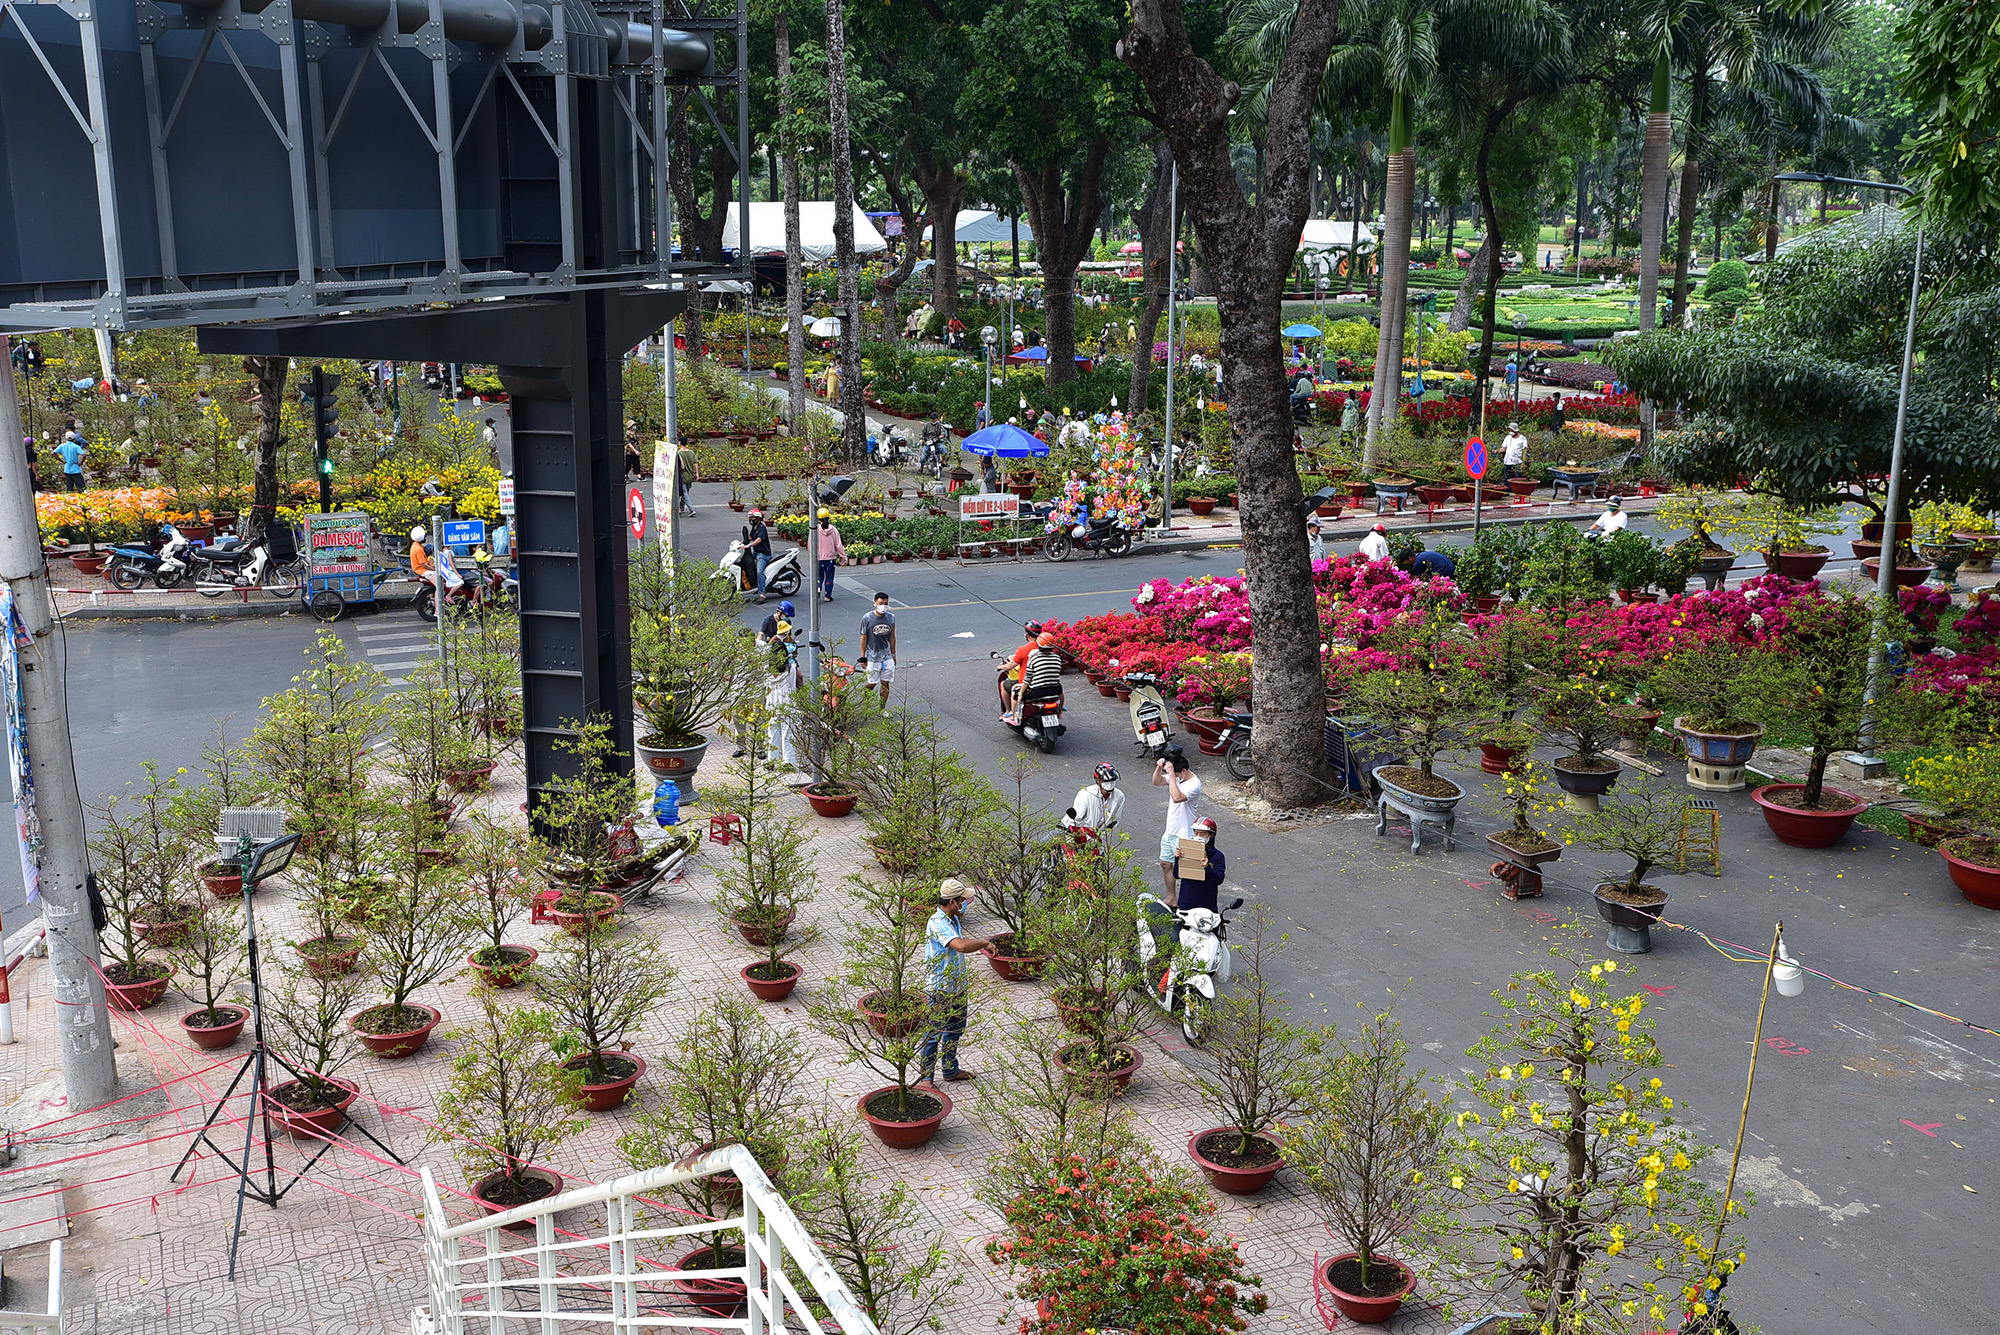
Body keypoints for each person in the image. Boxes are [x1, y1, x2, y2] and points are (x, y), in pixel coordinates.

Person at [917, 879, 997, 1087]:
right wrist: (984, 943)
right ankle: (926, 1078)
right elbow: (960, 946)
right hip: (940, 988)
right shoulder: (938, 922)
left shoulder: (953, 919)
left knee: (955, 1030)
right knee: (933, 1034)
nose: (964, 904)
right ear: (952, 901)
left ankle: (950, 1070)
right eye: (962, 900)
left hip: (957, 987)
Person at [1151, 748, 1203, 897]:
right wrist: (1159, 768)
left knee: (1187, 871)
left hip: (1184, 834)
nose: (1173, 777)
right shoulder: (1177, 777)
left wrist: (1173, 776)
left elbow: (1176, 797)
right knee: (1165, 864)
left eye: (1176, 774)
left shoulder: (1194, 784)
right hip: (1170, 831)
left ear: (1184, 771)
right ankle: (1171, 897)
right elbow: (1156, 781)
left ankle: (1188, 901)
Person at [763, 629, 801, 771]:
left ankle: (771, 761)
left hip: (772, 704)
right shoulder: (790, 668)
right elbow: (795, 684)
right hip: (787, 703)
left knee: (772, 734)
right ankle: (788, 762)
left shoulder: (766, 669)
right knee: (787, 733)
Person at [1170, 817, 1225, 913]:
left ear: (1211, 835)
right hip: (1186, 905)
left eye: (1202, 834)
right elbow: (1176, 875)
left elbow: (1218, 879)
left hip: (1207, 907)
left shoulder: (1218, 856)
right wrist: (1178, 859)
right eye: (1196, 833)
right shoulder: (1186, 851)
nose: (1198, 836)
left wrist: (1207, 867)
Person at [1008, 632, 1063, 723]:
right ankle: (1059, 712)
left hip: (1037, 691)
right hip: (1055, 690)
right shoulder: (1057, 658)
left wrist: (1020, 693)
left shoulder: (1034, 658)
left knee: (1015, 692)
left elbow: (1027, 679)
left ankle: (1014, 717)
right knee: (1060, 691)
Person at [859, 591, 897, 705]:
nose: (883, 606)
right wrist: (863, 657)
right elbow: (863, 638)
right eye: (880, 603)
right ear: (875, 603)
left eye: (885, 603)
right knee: (872, 683)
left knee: (885, 684)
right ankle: (864, 704)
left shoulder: (891, 618)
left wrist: (893, 654)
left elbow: (892, 637)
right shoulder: (867, 618)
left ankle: (882, 708)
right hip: (873, 657)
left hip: (887, 657)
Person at [1064, 763, 1125, 832]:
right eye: (1106, 781)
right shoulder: (1085, 794)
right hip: (1081, 833)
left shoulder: (1119, 796)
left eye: (1112, 781)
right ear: (1098, 780)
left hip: (1100, 835)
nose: (1110, 784)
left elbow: (1115, 820)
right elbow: (1076, 818)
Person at [813, 510, 846, 602]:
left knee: (819, 576)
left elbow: (810, 544)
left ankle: (818, 588)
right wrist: (843, 556)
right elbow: (838, 544)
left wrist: (813, 555)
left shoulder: (815, 530)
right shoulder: (833, 529)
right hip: (831, 558)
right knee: (829, 578)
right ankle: (827, 596)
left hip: (819, 558)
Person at [742, 509, 774, 603]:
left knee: (759, 572)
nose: (751, 519)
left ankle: (762, 594)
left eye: (752, 518)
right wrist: (741, 543)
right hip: (756, 553)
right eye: (750, 518)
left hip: (763, 554)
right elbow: (751, 537)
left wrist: (749, 545)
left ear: (757, 518)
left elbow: (759, 539)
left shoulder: (761, 527)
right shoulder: (754, 527)